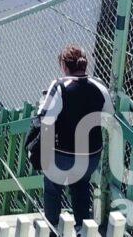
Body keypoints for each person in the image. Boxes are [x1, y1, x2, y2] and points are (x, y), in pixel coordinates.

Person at [37, 45, 112, 233]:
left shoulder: (60, 86)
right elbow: (109, 115)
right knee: (81, 186)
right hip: (90, 156)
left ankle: (53, 227)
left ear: (64, 65)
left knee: (53, 188)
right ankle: (81, 229)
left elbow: (43, 118)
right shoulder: (100, 86)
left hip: (61, 155)